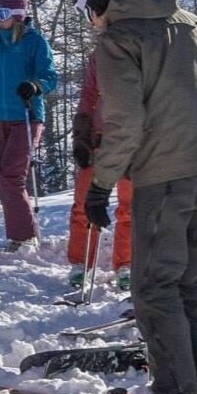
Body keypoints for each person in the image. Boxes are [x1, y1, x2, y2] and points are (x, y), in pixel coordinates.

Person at [75, 0, 197, 394]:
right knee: (196, 282)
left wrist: (100, 185)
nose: (91, 21)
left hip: (165, 175)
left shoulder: (120, 38)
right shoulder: (190, 22)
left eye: (87, 10)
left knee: (155, 286)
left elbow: (124, 125)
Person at [0, 0, 58, 247]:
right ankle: (21, 233)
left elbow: (50, 76)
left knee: (10, 176)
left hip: (26, 115)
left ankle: (24, 236)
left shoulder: (34, 42)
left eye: (2, 12)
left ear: (16, 16)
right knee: (3, 176)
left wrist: (35, 86)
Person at [66, 49, 132, 286]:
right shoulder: (100, 54)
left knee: (131, 205)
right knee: (85, 202)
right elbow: (89, 94)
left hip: (131, 137)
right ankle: (81, 262)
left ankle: (127, 263)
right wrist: (81, 135)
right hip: (98, 136)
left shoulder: (144, 49)